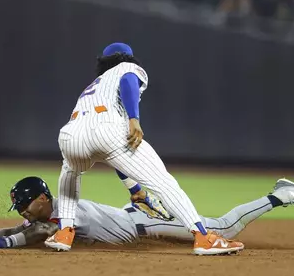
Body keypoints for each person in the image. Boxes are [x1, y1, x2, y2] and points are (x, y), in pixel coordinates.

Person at [45, 42, 244, 255]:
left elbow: (113, 154)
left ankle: (64, 232)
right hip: (108, 129)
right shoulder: (127, 68)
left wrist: (134, 189)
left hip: (70, 135)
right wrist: (134, 119)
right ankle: (203, 237)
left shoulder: (93, 85)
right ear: (128, 58)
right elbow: (128, 81)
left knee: (70, 172)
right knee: (163, 182)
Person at [0, 176, 294, 249]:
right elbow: (24, 227)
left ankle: (281, 195)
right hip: (132, 217)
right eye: (19, 208)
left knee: (223, 229)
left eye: (25, 204)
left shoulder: (66, 212)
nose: (22, 211)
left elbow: (33, 234)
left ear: (43, 198)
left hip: (140, 222)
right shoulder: (48, 214)